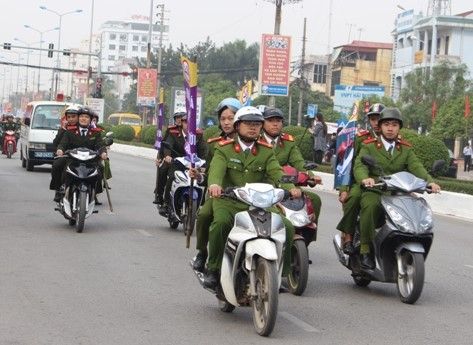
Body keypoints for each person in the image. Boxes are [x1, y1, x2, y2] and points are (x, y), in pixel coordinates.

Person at [203, 106, 301, 288]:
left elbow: (276, 172)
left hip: (259, 202)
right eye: (248, 123)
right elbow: (216, 169)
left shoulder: (266, 150)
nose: (253, 127)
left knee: (286, 226)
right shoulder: (224, 149)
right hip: (229, 200)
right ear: (238, 126)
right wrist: (215, 185)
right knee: (221, 224)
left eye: (256, 124)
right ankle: (213, 267)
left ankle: (281, 274)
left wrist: (290, 187)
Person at [354, 107, 441, 269]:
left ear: (399, 127)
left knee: (414, 208)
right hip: (376, 189)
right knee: (370, 206)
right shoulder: (370, 146)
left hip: (398, 192)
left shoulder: (405, 148)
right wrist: (365, 179)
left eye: (394, 124)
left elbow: (417, 167)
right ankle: (365, 249)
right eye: (386, 124)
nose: (390, 128)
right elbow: (360, 165)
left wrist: (430, 182)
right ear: (380, 126)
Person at [192, 97, 241, 272]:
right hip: (221, 194)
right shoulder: (214, 143)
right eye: (223, 119)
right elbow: (209, 168)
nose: (227, 122)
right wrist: (199, 175)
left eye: (231, 117)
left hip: (249, 194)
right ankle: (202, 252)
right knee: (204, 215)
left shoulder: (255, 140)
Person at [261, 106, 323, 223]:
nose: (275, 124)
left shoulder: (288, 141)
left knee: (314, 200)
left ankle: (306, 236)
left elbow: (298, 161)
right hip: (262, 185)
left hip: (285, 183)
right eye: (270, 121)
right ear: (262, 123)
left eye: (278, 121)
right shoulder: (255, 140)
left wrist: (311, 175)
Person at [336, 103, 384, 254]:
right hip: (360, 181)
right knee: (353, 198)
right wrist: (344, 188)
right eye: (373, 119)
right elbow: (348, 162)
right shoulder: (360, 138)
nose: (376, 123)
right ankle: (348, 237)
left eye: (379, 119)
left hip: (386, 183)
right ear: (369, 121)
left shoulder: (392, 139)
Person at [50, 107, 107, 202]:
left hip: (90, 159)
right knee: (58, 165)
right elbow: (63, 143)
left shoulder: (95, 132)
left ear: (90, 119)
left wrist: (103, 152)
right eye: (81, 117)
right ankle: (60, 189)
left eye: (86, 117)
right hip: (73, 158)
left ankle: (95, 192)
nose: (83, 119)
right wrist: (60, 150)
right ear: (79, 118)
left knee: (100, 168)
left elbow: (100, 145)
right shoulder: (70, 131)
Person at [161, 113, 207, 220]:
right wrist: (167, 156)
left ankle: (201, 205)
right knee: (172, 177)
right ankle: (166, 203)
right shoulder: (173, 133)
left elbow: (204, 151)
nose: (188, 125)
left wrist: (204, 164)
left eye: (191, 123)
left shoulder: (198, 135)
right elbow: (168, 145)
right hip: (178, 163)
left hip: (193, 165)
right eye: (186, 122)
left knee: (203, 180)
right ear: (182, 123)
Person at [153, 111, 185, 206]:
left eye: (182, 118)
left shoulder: (194, 133)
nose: (179, 120)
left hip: (188, 160)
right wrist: (163, 156)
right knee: (163, 170)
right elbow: (165, 145)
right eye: (177, 118)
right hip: (173, 158)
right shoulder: (172, 131)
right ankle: (160, 195)